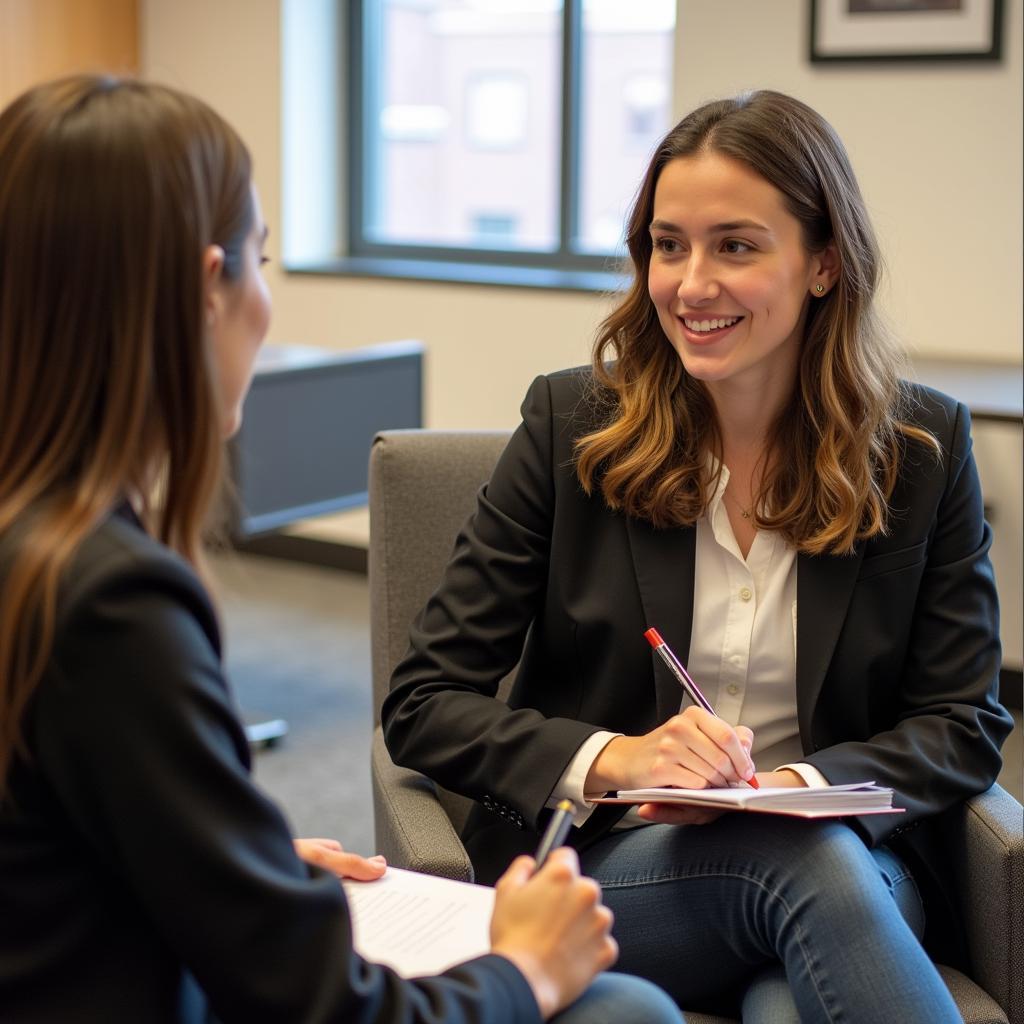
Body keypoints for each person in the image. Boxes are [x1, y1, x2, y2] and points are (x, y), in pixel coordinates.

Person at [0, 75, 685, 1024]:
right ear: (209, 288)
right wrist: (524, 968)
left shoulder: (36, 550)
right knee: (626, 1013)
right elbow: (333, 1009)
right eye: (263, 260)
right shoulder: (109, 601)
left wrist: (244, 869)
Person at [382, 90, 1014, 1021]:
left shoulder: (918, 450)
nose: (689, 283)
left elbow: (963, 720)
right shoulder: (571, 430)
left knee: (793, 973)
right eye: (667, 245)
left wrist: (795, 788)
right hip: (614, 874)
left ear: (826, 264)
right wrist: (620, 758)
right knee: (805, 871)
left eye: (736, 246)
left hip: (853, 869)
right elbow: (424, 704)